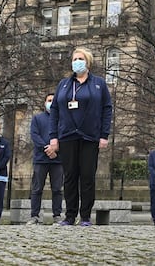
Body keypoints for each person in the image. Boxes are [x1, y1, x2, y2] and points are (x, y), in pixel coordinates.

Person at [50, 48, 112, 227]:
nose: (77, 61)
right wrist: (53, 137)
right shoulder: (64, 84)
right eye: (74, 59)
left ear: (88, 62)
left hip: (89, 136)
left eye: (81, 59)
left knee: (87, 176)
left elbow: (107, 109)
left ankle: (85, 216)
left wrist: (104, 135)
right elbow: (55, 110)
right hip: (67, 136)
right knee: (69, 176)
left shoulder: (98, 84)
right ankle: (69, 215)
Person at [27, 93, 63, 225]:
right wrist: (47, 149)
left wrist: (56, 149)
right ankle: (34, 215)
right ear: (44, 102)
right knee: (37, 189)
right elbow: (35, 135)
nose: (51, 103)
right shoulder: (37, 118)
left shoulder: (62, 119)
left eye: (53, 100)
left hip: (57, 159)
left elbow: (64, 136)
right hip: (40, 159)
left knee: (57, 189)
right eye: (49, 100)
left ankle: (57, 215)